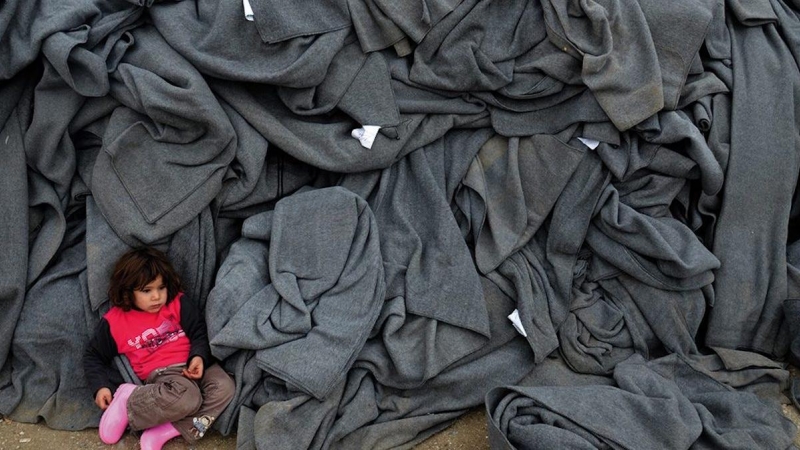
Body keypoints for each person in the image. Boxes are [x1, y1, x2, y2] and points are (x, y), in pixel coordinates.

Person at [83, 247, 234, 450]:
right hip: (165, 375)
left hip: (193, 364)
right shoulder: (115, 322)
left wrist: (198, 356)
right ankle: (129, 401)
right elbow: (93, 356)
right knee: (188, 397)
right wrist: (100, 386)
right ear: (128, 292)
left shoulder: (177, 302)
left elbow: (199, 331)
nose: (156, 297)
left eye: (161, 288)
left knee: (226, 388)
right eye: (147, 291)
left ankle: (166, 430)